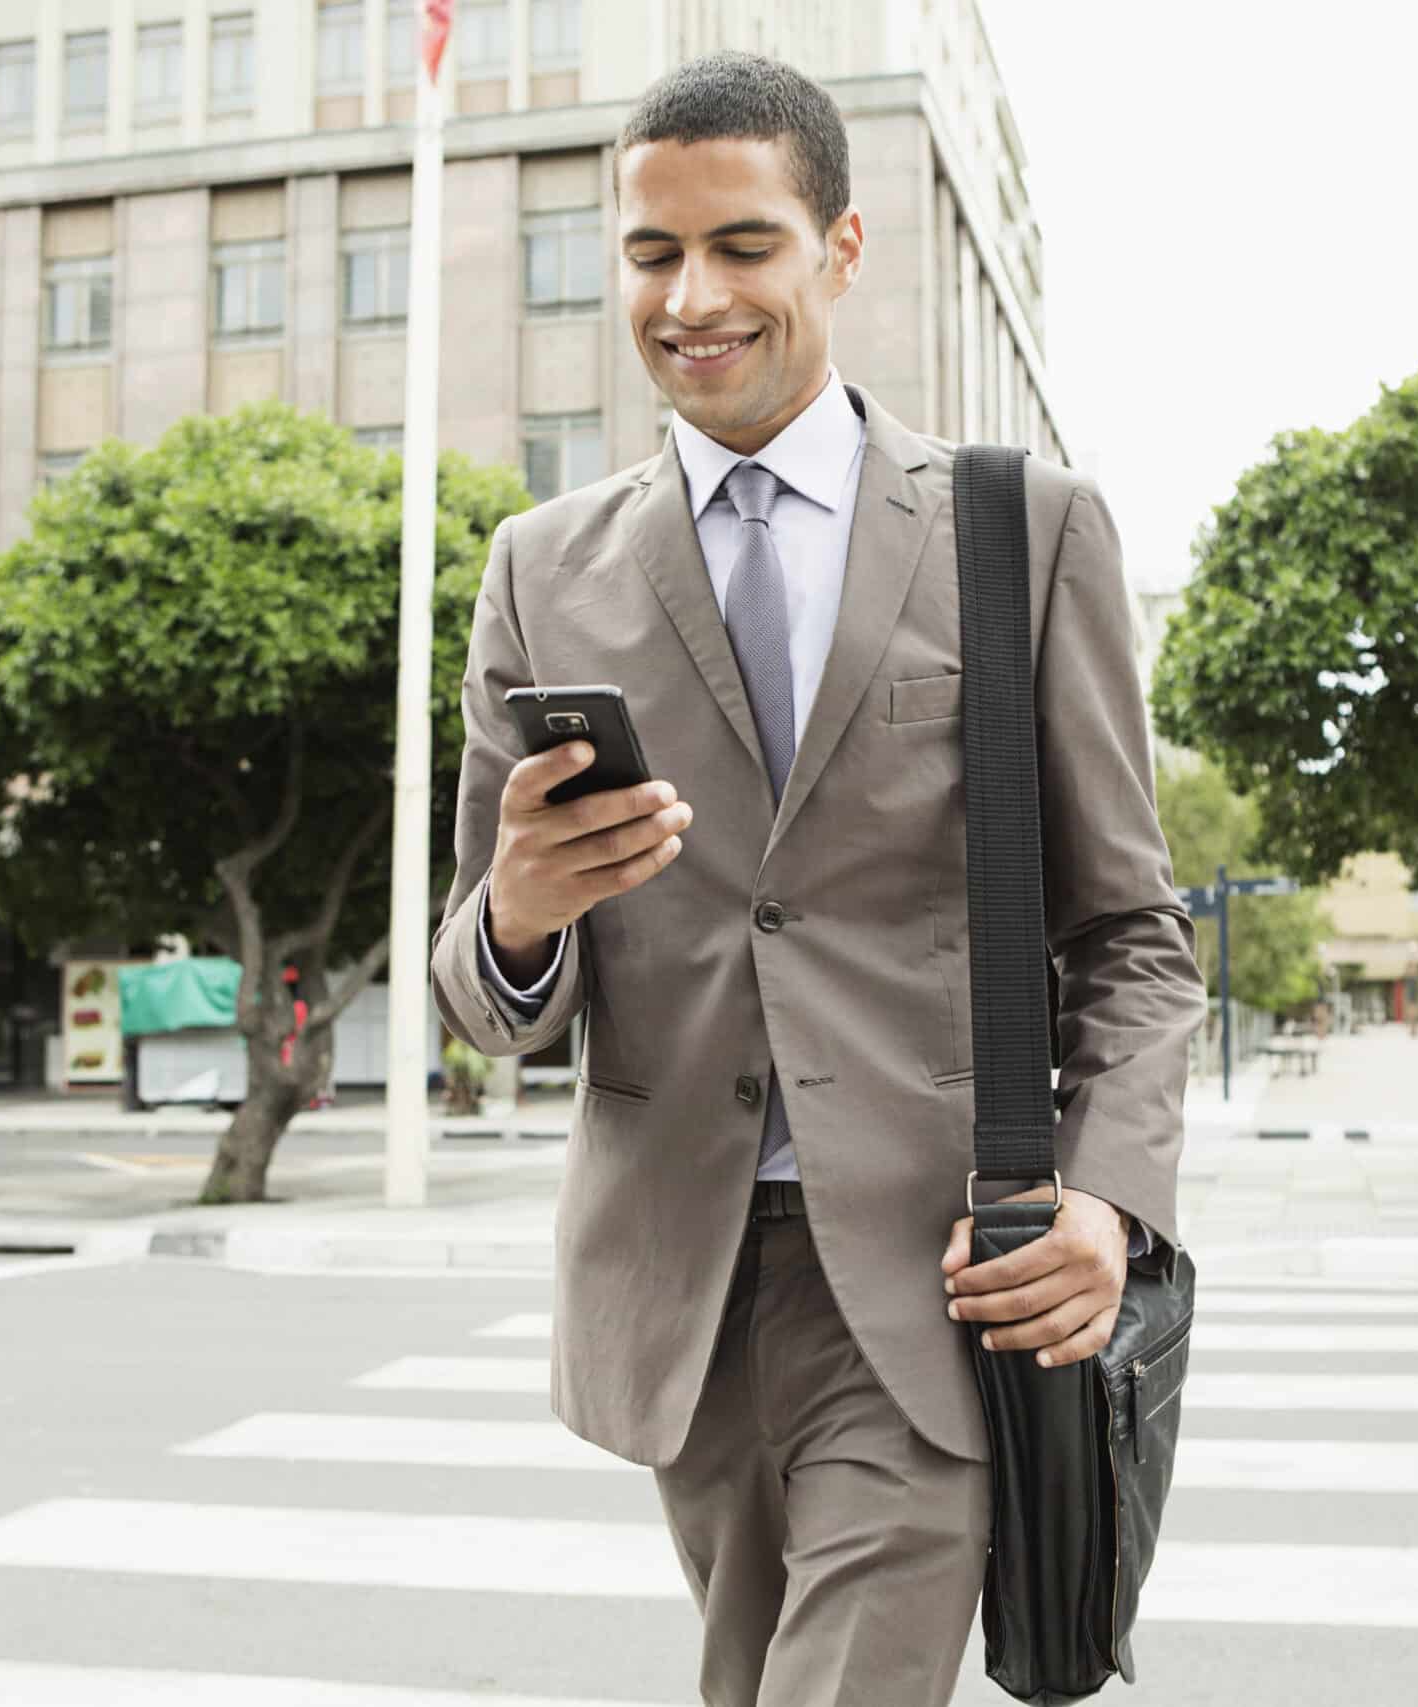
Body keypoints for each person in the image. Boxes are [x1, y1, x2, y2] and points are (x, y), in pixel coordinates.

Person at [428, 51, 1204, 1706]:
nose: (692, 297)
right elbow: (479, 997)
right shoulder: (541, 568)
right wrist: (516, 914)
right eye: (652, 254)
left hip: (938, 1268)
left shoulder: (1022, 531)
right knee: (749, 1677)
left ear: (842, 248)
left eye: (744, 245)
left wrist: (1109, 1198)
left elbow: (1134, 934)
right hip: (679, 1282)